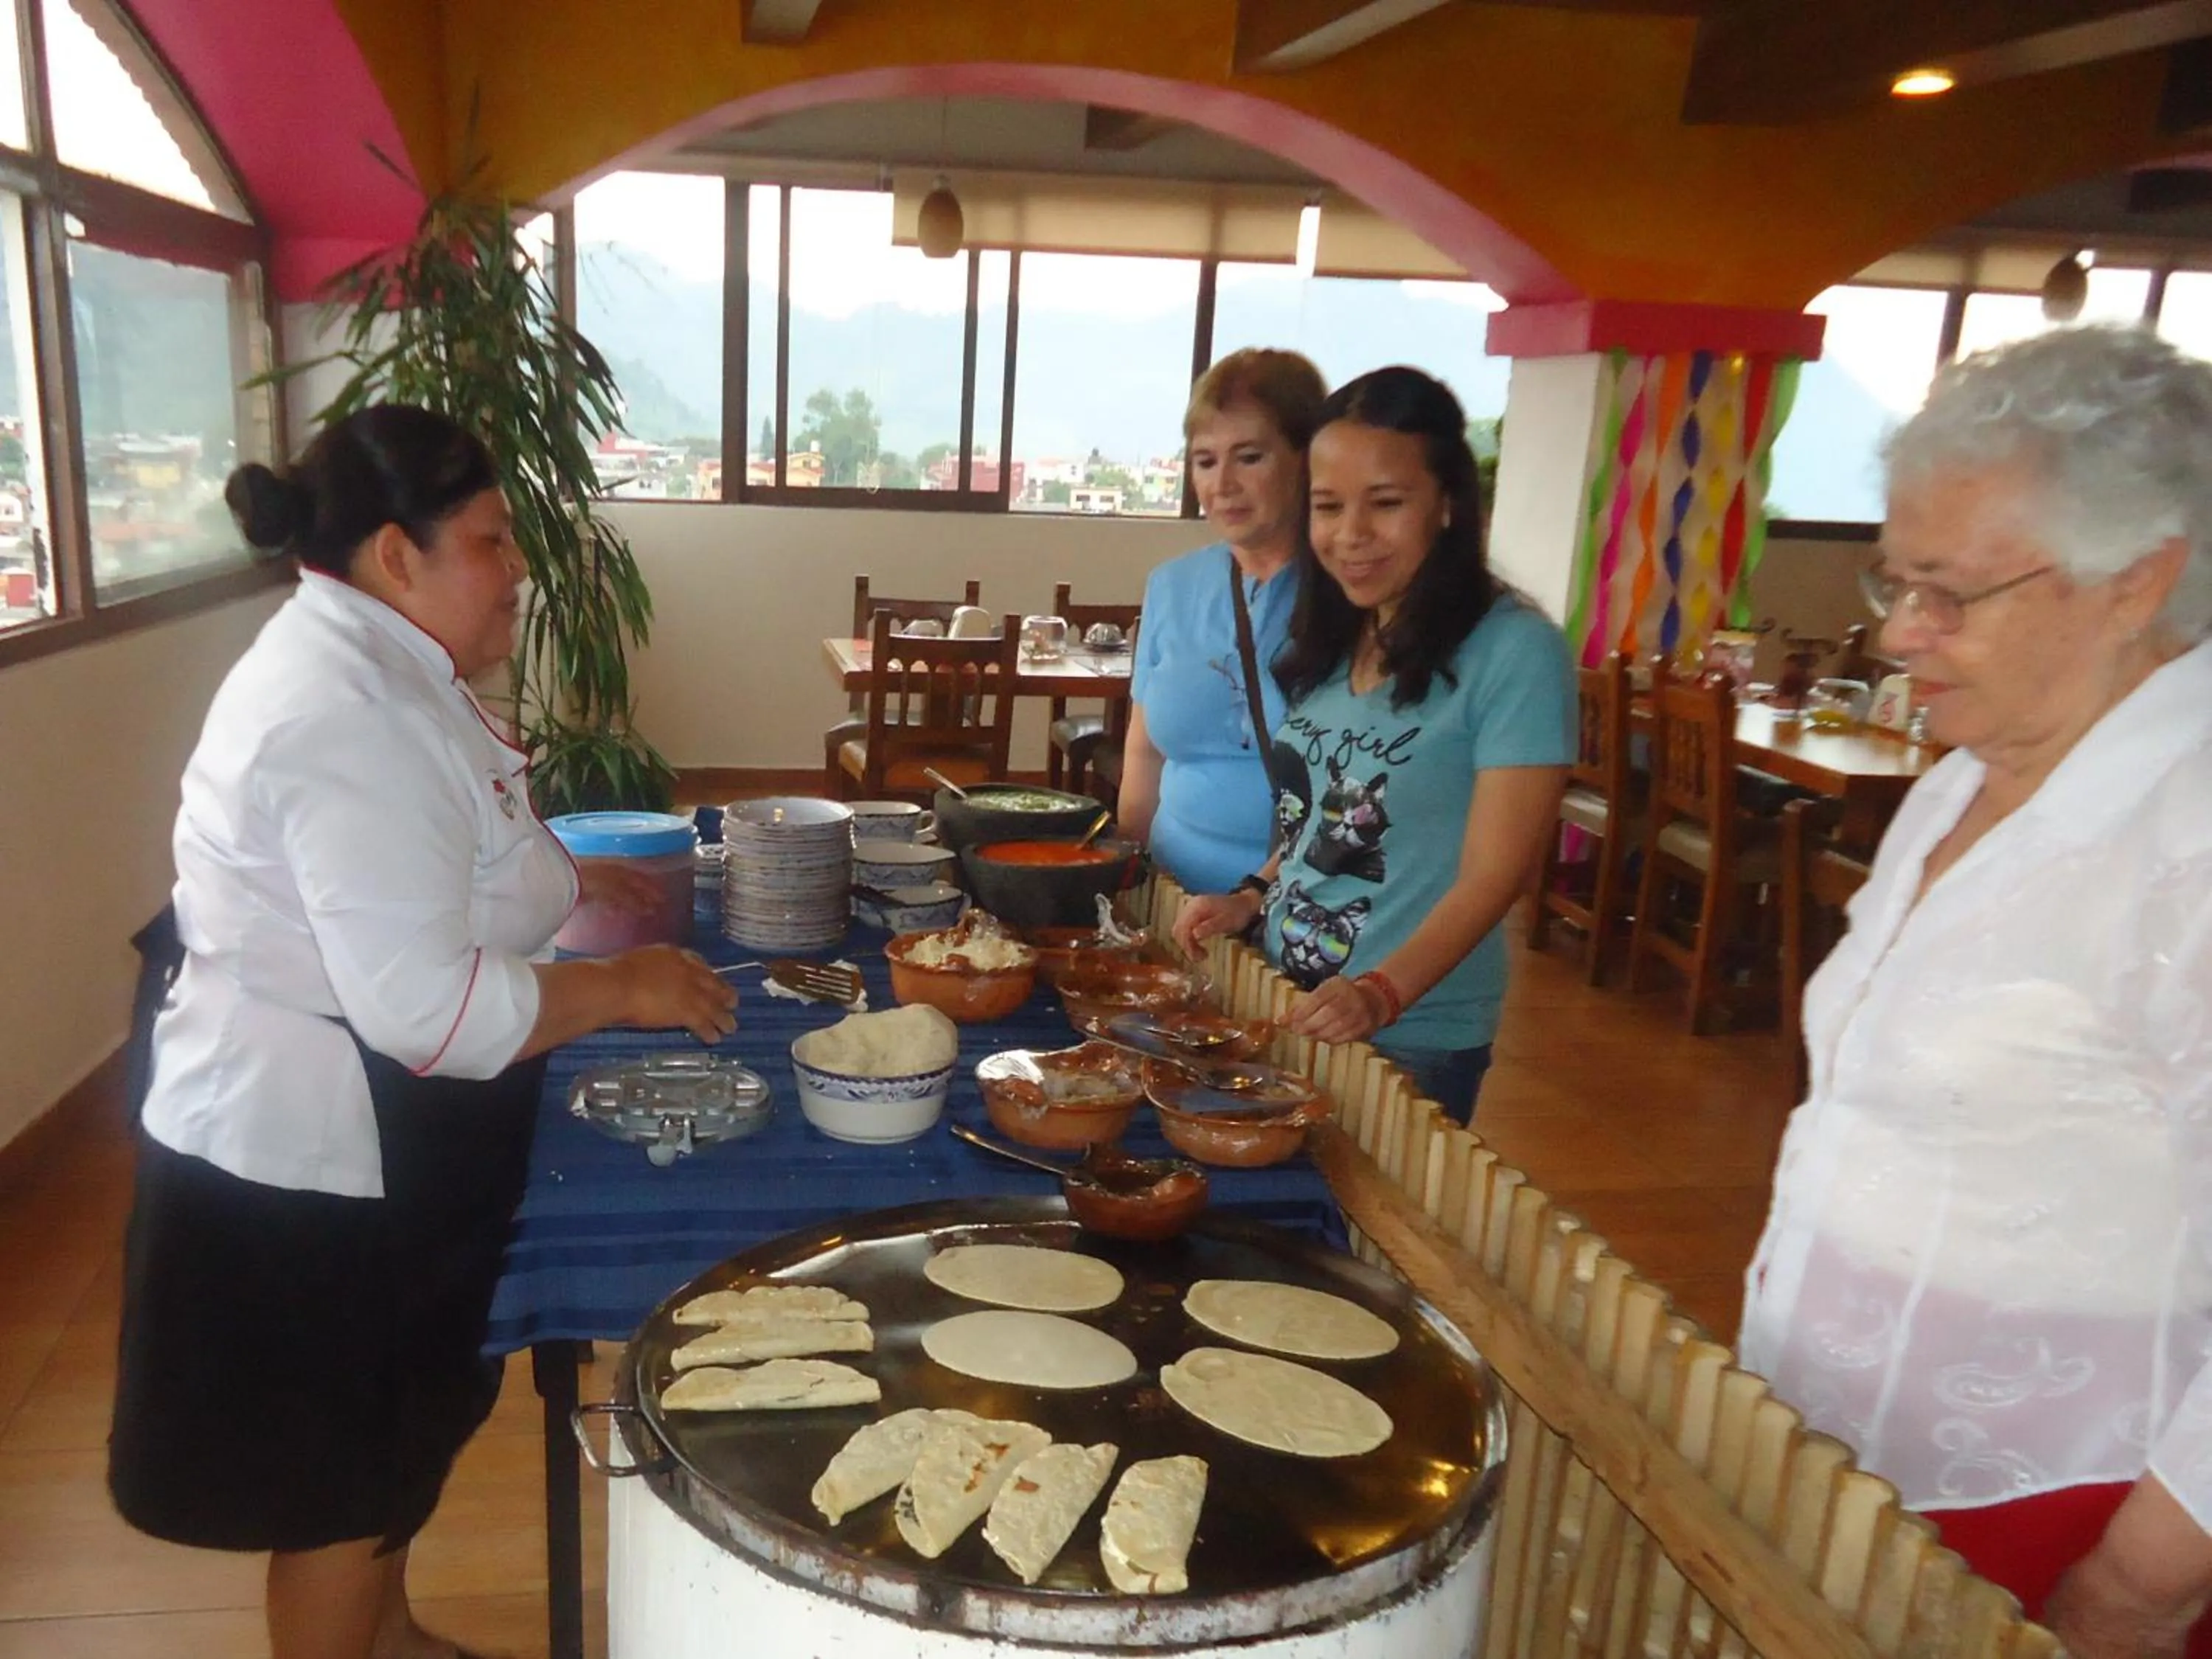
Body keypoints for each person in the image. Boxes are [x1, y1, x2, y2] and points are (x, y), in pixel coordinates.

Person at [107, 406, 737, 1659]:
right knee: (340, 1480)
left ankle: (389, 1639)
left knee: (391, 1442)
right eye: (495, 542)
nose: (519, 572)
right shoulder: (339, 711)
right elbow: (425, 1006)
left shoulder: (379, 661)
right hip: (312, 1148)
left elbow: (452, 840)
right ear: (398, 554)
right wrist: (623, 989)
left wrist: (567, 881)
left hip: (372, 1120)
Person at [1736, 325, 2212, 1658]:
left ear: (2140, 580)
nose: (1899, 632)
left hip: (2054, 1505)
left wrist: (2134, 1593)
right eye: (1898, 581)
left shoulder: (2191, 835)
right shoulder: (1967, 774)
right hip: (1851, 1451)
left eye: (1950, 593)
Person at [1173, 366, 1573, 1122]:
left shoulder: (1516, 652)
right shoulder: (1338, 635)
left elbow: (1497, 875)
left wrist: (1382, 994)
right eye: (1328, 507)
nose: (1350, 536)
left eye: (1386, 504)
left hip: (1410, 1033)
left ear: (1448, 503)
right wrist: (1250, 897)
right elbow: (1319, 818)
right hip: (1295, 1001)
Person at [1119, 347, 1328, 894]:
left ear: (1308, 459)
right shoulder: (1170, 586)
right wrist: (1128, 879)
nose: (1223, 483)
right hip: (1171, 896)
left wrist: (1257, 896)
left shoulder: (1348, 592)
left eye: (1250, 457)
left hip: (1305, 912)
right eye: (1205, 461)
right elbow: (1143, 751)